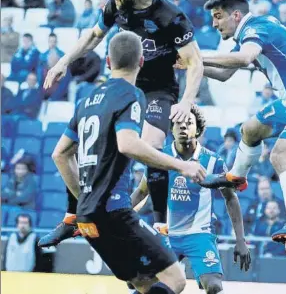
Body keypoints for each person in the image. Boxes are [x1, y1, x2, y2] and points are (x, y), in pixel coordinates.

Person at [40, 0, 204, 247]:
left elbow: (195, 62)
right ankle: (72, 218)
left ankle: (161, 227)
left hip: (158, 91)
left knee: (151, 147)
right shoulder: (116, 6)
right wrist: (64, 62)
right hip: (122, 84)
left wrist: (187, 101)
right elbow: (93, 36)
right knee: (81, 146)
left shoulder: (170, 16)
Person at [47, 31, 206, 294]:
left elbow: (60, 154)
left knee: (146, 284)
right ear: (141, 62)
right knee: (175, 280)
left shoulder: (86, 100)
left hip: (88, 216)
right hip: (114, 211)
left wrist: (84, 196)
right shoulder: (131, 94)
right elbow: (128, 144)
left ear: (108, 62)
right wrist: (182, 165)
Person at [187, 0, 286, 243]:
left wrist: (198, 57)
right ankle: (236, 176)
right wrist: (192, 66)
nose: (214, 23)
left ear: (236, 15)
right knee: (250, 130)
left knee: (280, 155)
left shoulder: (255, 30)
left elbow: (244, 58)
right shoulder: (254, 30)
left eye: (218, 16)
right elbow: (225, 74)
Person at [131, 104, 251, 294]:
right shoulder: (160, 157)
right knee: (145, 287)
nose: (183, 127)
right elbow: (141, 192)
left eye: (188, 123)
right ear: (171, 128)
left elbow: (231, 198)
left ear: (199, 129)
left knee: (214, 287)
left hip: (200, 234)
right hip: (165, 233)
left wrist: (241, 240)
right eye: (177, 123)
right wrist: (114, 219)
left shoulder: (213, 161)